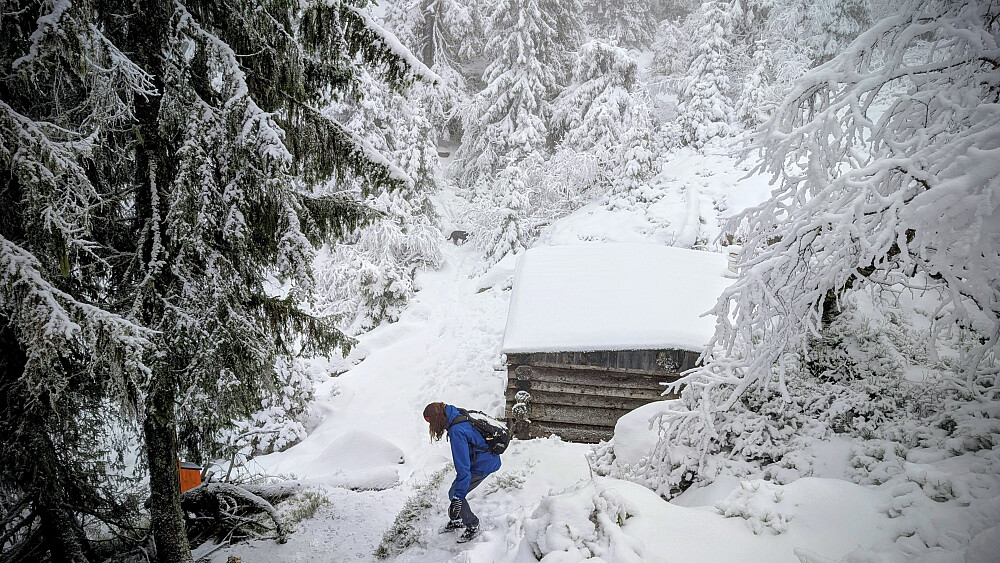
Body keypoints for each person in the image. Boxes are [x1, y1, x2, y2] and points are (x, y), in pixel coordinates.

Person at [423, 402, 501, 543]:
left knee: (455, 493)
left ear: (437, 418)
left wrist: (458, 498)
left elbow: (463, 469)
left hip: (484, 464)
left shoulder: (457, 431)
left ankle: (472, 524)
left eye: (431, 422)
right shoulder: (455, 413)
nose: (431, 426)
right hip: (485, 458)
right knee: (454, 492)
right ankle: (459, 518)